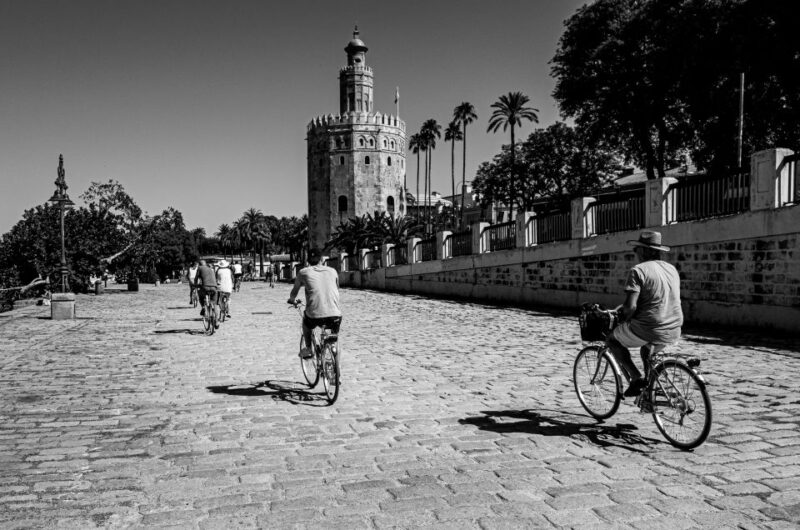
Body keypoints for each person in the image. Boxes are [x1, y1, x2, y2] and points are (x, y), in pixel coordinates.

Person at [607, 231, 683, 397]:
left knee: (612, 340)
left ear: (646, 251)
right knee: (646, 350)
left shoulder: (638, 270)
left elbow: (631, 307)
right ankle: (649, 392)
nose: (635, 252)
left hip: (650, 328)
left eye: (638, 249)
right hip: (675, 328)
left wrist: (621, 318)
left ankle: (636, 377)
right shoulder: (671, 269)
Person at [287, 248, 341, 359]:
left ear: (308, 261)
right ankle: (333, 348)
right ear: (322, 259)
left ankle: (308, 349)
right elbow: (336, 288)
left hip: (315, 316)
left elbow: (294, 291)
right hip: (335, 315)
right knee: (332, 337)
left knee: (306, 323)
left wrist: (292, 299)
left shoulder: (303, 272)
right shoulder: (333, 271)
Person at [194, 259, 219, 327]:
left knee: (200, 295)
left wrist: (195, 285)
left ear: (199, 264)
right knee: (214, 304)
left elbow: (196, 278)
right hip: (214, 287)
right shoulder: (211, 269)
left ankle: (203, 307)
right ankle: (216, 322)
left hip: (205, 287)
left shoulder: (200, 268)